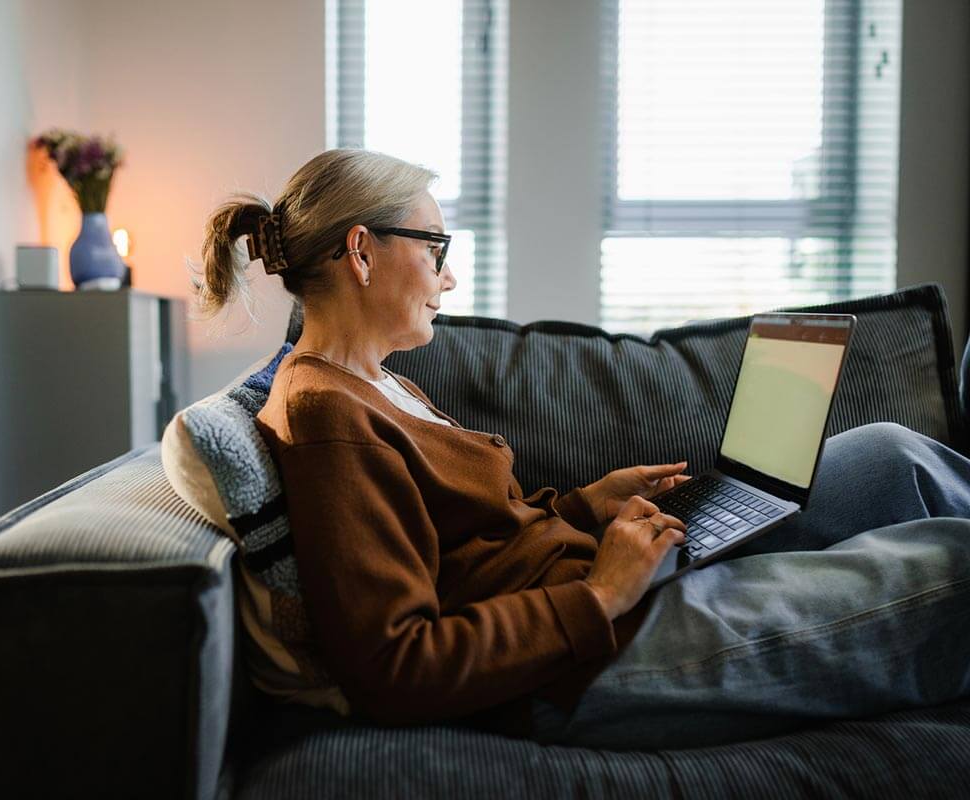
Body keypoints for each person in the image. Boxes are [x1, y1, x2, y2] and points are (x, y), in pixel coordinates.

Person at [196, 148, 970, 747]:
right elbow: (396, 668)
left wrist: (582, 507)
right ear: (361, 251)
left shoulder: (379, 382)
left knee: (891, 453)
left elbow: (471, 537)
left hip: (596, 586)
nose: (449, 275)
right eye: (435, 246)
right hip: (580, 661)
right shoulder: (326, 414)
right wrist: (601, 594)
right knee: (954, 564)